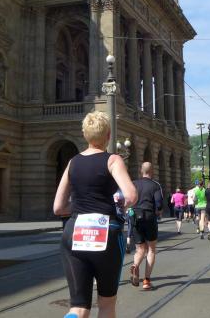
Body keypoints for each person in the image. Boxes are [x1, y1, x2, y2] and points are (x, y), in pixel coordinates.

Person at [54, 111, 137, 318]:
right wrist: (121, 205)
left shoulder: (72, 162)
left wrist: (79, 207)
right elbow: (131, 195)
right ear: (108, 135)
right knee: (106, 303)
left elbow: (58, 207)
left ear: (85, 135)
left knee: (79, 306)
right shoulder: (113, 160)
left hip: (74, 230)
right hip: (105, 231)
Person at [130, 162, 162, 291]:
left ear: (141, 171)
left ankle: (135, 265)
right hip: (149, 216)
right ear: (152, 171)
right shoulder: (155, 185)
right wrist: (158, 211)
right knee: (151, 249)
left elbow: (128, 199)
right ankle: (146, 281)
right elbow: (159, 203)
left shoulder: (134, 183)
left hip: (135, 216)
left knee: (139, 249)